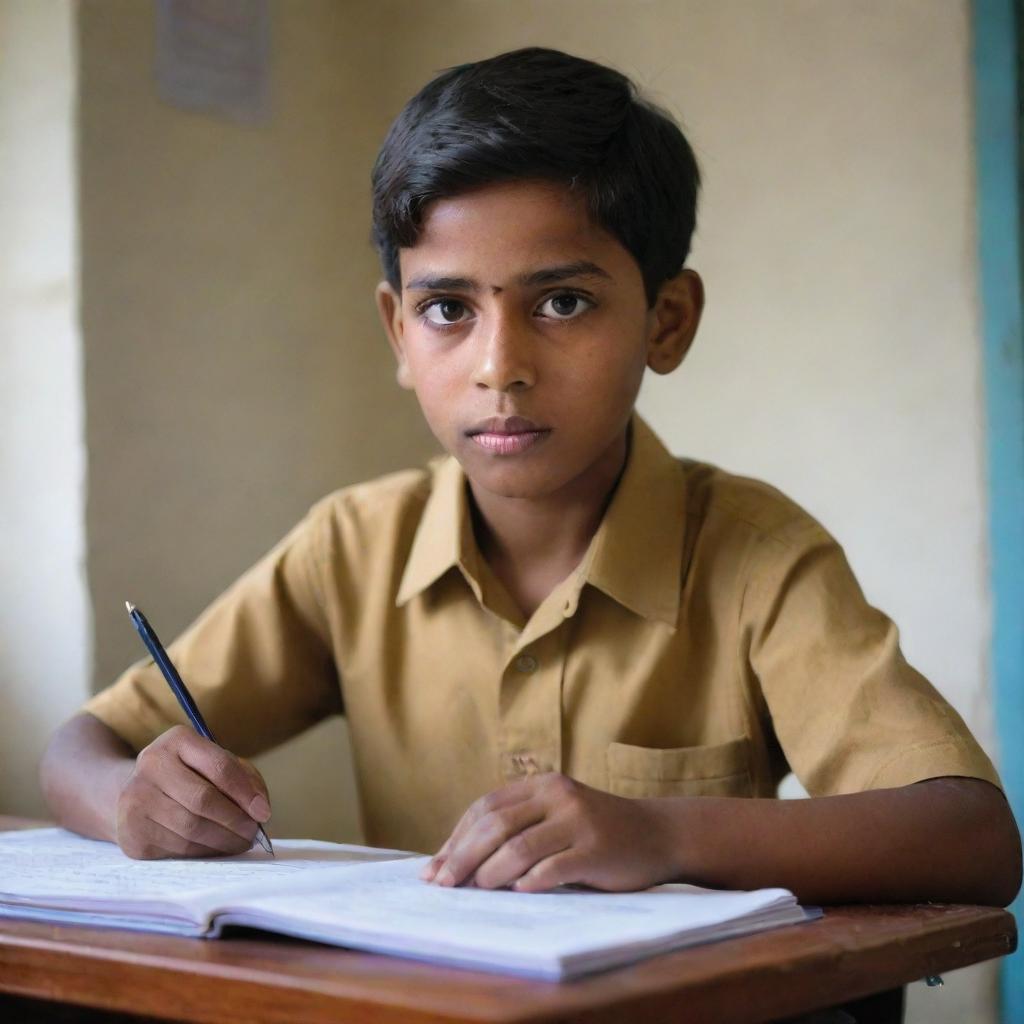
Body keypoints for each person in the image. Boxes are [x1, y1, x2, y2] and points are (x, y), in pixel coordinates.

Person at [40, 47, 1020, 906]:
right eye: (447, 309)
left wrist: (664, 834)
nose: (498, 365)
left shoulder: (754, 558)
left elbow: (970, 837)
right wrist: (135, 800)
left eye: (560, 301)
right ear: (397, 329)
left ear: (666, 322)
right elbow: (77, 750)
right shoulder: (352, 549)